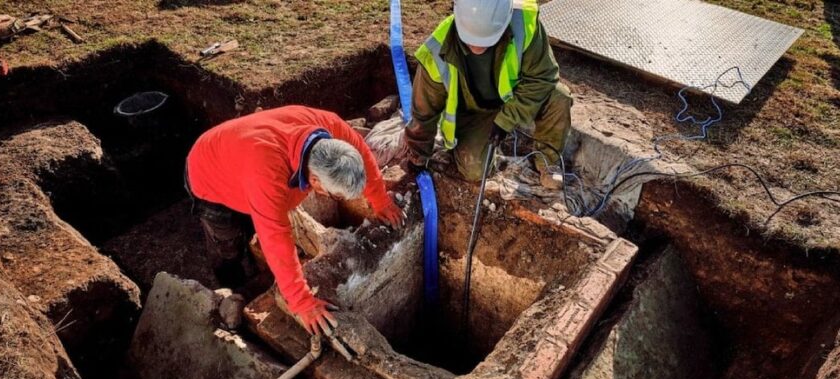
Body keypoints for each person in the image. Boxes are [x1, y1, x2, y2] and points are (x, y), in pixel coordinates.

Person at [185, 105, 406, 336]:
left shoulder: (330, 127)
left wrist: (381, 201)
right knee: (227, 241)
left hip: (239, 158)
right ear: (314, 180)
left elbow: (363, 154)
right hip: (208, 175)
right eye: (334, 195)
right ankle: (233, 284)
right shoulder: (267, 175)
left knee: (255, 222)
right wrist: (301, 302)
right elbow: (276, 237)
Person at [403, 0, 572, 185]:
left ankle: (547, 161)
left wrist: (506, 120)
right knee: (475, 170)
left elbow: (544, 77)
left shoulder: (524, 23)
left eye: (487, 40)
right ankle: (483, 144)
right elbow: (424, 110)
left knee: (558, 97)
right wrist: (418, 157)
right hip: (474, 112)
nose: (477, 48)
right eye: (470, 41)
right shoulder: (436, 51)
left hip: (514, 96)